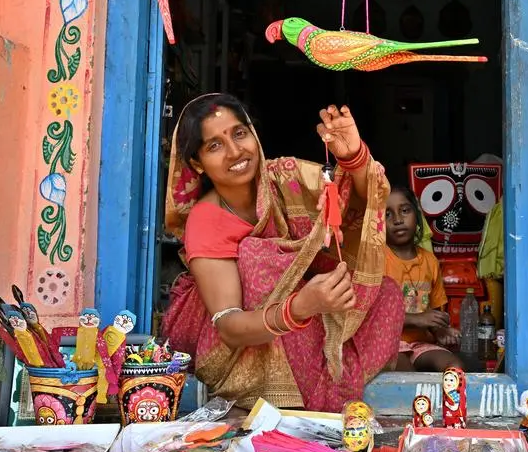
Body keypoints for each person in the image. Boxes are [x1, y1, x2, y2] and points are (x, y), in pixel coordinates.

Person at [162, 93, 403, 412]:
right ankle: (309, 395)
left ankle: (333, 383)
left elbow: (352, 206)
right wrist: (300, 307)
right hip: (240, 347)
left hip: (306, 321)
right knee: (256, 254)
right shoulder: (206, 221)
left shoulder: (283, 177)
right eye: (215, 145)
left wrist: (354, 158)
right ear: (197, 163)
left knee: (386, 293)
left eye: (239, 133)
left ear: (253, 133)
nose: (235, 152)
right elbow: (229, 328)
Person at [385, 185, 462, 372]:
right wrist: (416, 319)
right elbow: (369, 318)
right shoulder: (376, 261)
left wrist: (441, 331)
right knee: (409, 378)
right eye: (387, 214)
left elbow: (434, 313)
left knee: (454, 367)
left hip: (421, 344)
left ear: (417, 215)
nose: (397, 220)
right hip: (386, 345)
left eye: (404, 211)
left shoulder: (430, 261)